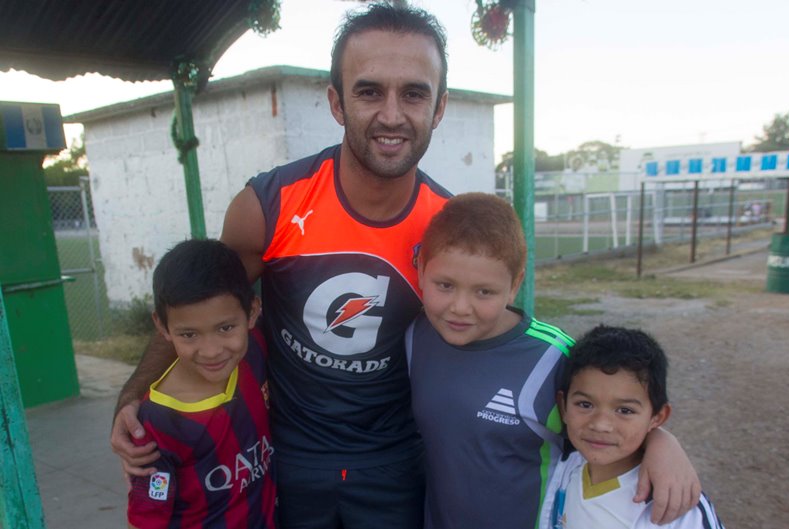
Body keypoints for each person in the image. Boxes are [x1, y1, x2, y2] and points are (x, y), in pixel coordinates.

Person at [112, 4, 699, 528]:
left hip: (399, 464)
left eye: (414, 93)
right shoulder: (270, 204)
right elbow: (203, 309)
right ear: (337, 101)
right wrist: (133, 399)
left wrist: (655, 438)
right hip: (291, 458)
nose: (392, 114)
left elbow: (535, 364)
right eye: (369, 92)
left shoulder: (452, 231)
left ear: (439, 107)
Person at [406, 192, 575, 529]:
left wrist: (661, 446)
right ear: (421, 270)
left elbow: (616, 432)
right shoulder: (415, 338)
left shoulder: (554, 358)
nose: (460, 307)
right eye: (445, 285)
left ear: (515, 285)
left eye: (484, 292)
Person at [127, 239, 276, 529]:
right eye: (189, 334)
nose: (211, 351)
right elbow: (146, 520)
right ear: (161, 327)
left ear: (253, 312)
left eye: (225, 328)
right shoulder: (158, 423)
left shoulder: (254, 350)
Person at [539, 325, 725, 529]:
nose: (601, 425)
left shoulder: (675, 505)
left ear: (657, 417)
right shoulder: (565, 464)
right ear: (563, 406)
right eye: (585, 405)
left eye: (625, 411)